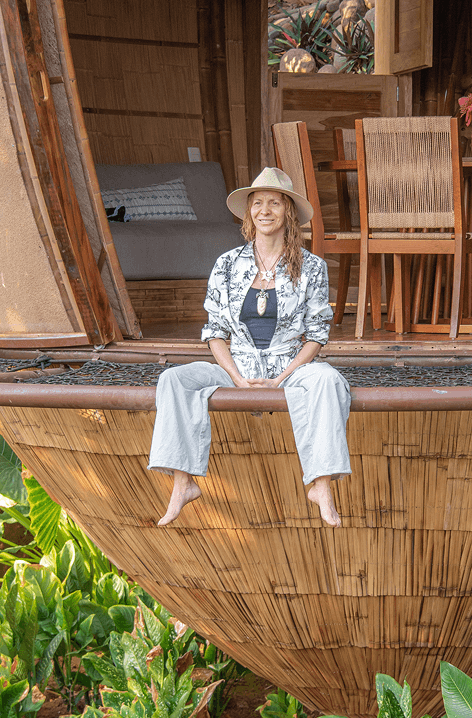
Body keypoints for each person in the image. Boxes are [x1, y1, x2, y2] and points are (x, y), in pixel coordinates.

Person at [149, 167, 351, 527]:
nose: (265, 210)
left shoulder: (312, 267)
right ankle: (183, 483)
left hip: (291, 366)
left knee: (328, 381)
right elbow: (214, 331)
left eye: (274, 202)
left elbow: (318, 334)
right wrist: (235, 377)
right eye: (257, 203)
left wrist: (283, 377)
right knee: (173, 380)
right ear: (249, 212)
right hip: (236, 365)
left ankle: (321, 485)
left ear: (288, 211)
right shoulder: (226, 264)